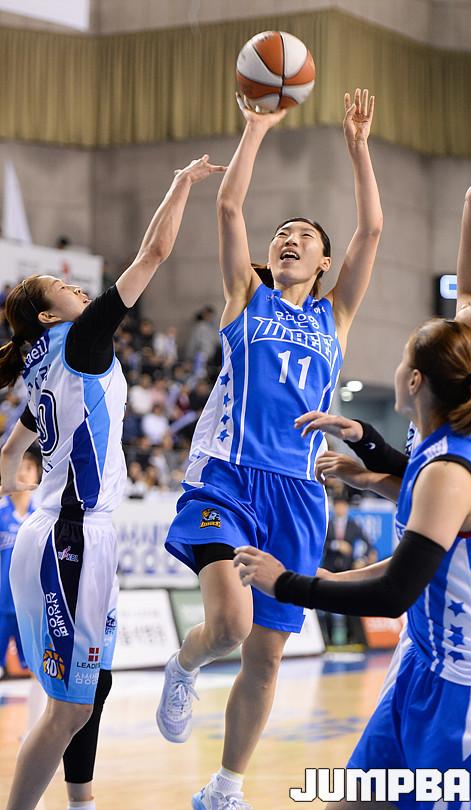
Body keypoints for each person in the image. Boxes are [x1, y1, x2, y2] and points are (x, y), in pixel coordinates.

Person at [157, 88, 383, 810]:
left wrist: (358, 150)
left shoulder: (335, 316)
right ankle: (184, 663)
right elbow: (229, 207)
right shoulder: (244, 297)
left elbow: (372, 231)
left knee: (267, 654)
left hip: (298, 494)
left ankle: (225, 787)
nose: (287, 239)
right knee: (229, 625)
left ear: (322, 261)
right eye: (281, 233)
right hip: (228, 477)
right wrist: (255, 127)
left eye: (303, 236)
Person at [235, 318, 471, 810]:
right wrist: (326, 577)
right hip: (424, 660)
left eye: (402, 361)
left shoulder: (451, 470)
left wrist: (287, 585)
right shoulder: (436, 451)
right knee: (352, 802)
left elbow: (395, 592)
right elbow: (409, 561)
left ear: (414, 380)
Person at [0, 154, 225, 810]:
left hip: (68, 533)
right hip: (68, 537)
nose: (77, 290)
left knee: (90, 688)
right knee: (68, 707)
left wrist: (13, 488)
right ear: (49, 316)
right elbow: (154, 251)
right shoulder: (78, 342)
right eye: (62, 288)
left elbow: (13, 448)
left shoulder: (43, 362)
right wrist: (180, 183)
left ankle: (82, 803)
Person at [0, 452, 39, 677]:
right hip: (1, 603)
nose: (23, 472)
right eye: (18, 466)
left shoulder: (41, 518)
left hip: (28, 607)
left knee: (37, 670)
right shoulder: (1, 511)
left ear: (38, 474)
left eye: (29, 467)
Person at [319, 495, 374, 646]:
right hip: (330, 568)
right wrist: (337, 545)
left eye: (343, 505)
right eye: (338, 505)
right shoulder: (328, 524)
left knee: (350, 603)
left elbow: (368, 544)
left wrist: (362, 560)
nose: (340, 508)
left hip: (348, 569)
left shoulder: (353, 525)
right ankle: (329, 640)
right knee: (327, 603)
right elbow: (320, 543)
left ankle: (352, 638)